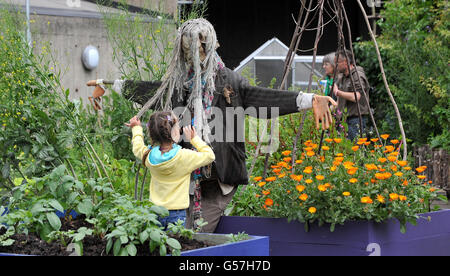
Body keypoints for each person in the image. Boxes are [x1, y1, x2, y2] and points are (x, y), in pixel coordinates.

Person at [87, 18, 337, 232]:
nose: (195, 57)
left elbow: (263, 97)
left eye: (199, 51)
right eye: (188, 52)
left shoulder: (229, 81)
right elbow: (149, 91)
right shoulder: (177, 84)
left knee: (193, 235)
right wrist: (108, 83)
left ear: (210, 47)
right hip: (184, 181)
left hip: (218, 179)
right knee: (180, 234)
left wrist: (308, 99)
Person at [125, 111, 215, 229]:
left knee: (157, 246)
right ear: (174, 132)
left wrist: (136, 128)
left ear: (153, 134)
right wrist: (194, 139)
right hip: (177, 214)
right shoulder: (184, 156)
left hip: (155, 212)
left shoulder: (149, 156)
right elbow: (210, 156)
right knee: (173, 245)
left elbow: (137, 147)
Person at [332, 49, 370, 141]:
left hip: (356, 120)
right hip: (345, 120)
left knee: (355, 150)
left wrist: (338, 92)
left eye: (337, 62)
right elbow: (336, 86)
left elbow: (356, 97)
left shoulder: (357, 76)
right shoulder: (344, 76)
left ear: (346, 62)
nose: (335, 65)